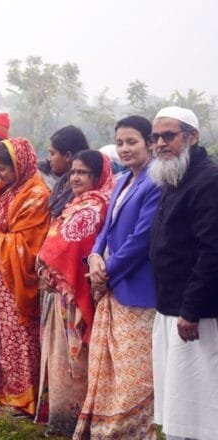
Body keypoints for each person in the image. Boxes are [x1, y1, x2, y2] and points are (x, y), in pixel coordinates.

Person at [74, 115, 160, 439]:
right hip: (111, 286)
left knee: (135, 375)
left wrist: (105, 273)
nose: (124, 148)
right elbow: (106, 231)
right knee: (108, 368)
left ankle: (134, 433)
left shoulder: (156, 182)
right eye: (120, 142)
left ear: (149, 143)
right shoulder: (122, 180)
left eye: (132, 142)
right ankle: (104, 430)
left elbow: (141, 240)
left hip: (137, 291)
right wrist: (94, 256)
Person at [148, 106, 218, 440]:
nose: (159, 143)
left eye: (168, 135)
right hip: (171, 308)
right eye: (155, 137)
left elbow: (212, 251)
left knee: (202, 407)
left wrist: (190, 310)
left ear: (191, 137)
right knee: (180, 404)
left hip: (196, 316)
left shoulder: (208, 180)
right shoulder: (175, 176)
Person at [34, 150, 113, 436]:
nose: (76, 177)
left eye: (83, 173)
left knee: (74, 356)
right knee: (59, 354)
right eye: (74, 172)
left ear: (97, 176)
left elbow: (68, 247)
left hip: (75, 294)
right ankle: (62, 418)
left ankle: (76, 420)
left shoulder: (95, 206)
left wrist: (46, 265)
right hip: (60, 291)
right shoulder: (77, 202)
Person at [0, 138, 51, 417]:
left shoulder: (37, 195)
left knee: (17, 340)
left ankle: (22, 401)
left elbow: (30, 242)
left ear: (21, 165)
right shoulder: (3, 188)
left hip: (16, 281)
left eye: (3, 169)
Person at [47, 125, 90, 218]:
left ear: (67, 156)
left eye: (52, 154)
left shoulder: (83, 188)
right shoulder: (61, 184)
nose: (49, 159)